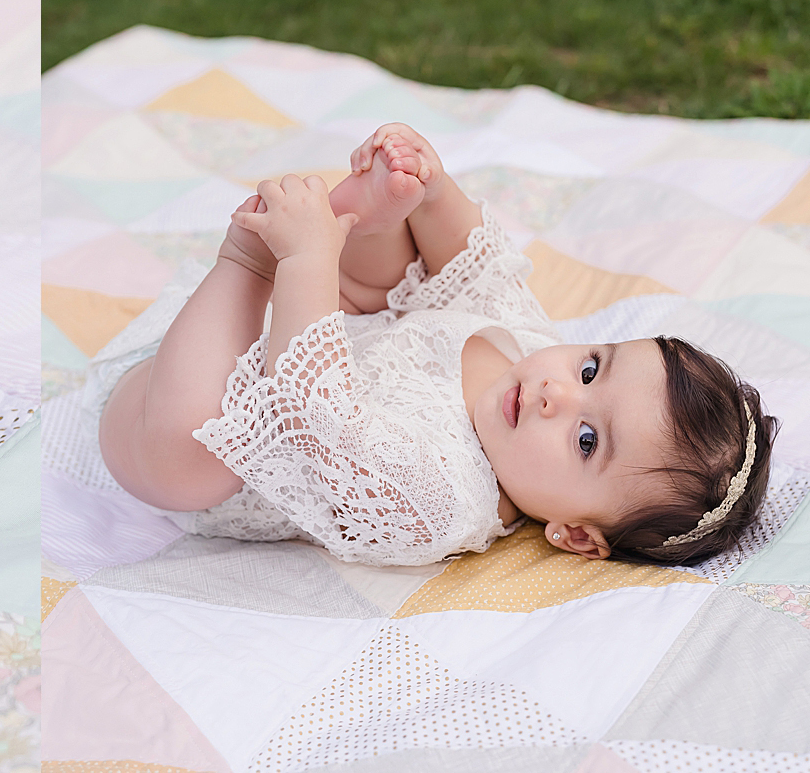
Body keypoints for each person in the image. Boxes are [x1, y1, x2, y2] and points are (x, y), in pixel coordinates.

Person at [92, 121, 777, 571]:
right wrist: (432, 188)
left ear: (573, 532)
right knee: (403, 282)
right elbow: (469, 271)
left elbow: (313, 410)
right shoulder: (527, 352)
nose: (556, 393)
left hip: (192, 412)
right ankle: (368, 213)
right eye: (593, 367)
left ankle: (250, 259)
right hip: (295, 329)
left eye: (587, 440)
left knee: (190, 462)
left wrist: (302, 266)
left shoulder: (441, 503)